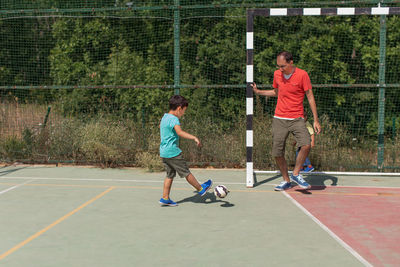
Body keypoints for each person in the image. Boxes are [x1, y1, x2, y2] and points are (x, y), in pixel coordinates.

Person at [252, 51, 321, 191]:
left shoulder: (302, 75)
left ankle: (296, 173)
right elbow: (277, 92)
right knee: (277, 152)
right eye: (278, 66)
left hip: (297, 118)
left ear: (291, 62)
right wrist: (259, 92)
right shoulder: (277, 74)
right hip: (279, 118)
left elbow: (310, 97)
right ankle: (286, 180)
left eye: (283, 66)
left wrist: (316, 120)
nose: (280, 69)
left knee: (306, 144)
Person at [159, 95, 212, 206]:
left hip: (164, 152)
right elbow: (179, 132)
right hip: (173, 153)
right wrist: (194, 137)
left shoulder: (164, 117)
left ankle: (165, 197)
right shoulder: (174, 119)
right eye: (184, 111)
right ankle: (200, 189)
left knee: (169, 175)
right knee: (186, 173)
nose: (184, 113)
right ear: (179, 108)